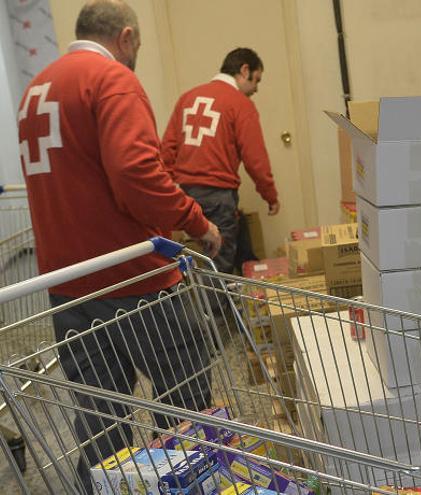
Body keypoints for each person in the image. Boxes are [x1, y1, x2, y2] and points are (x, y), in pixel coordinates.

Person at [16, 1, 221, 492]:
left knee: (101, 420)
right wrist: (196, 222)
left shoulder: (36, 89)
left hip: (67, 286)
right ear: (126, 38)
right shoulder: (111, 80)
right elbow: (136, 174)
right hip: (135, 278)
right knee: (186, 400)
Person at [161, 47, 280, 274]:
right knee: (218, 263)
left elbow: (167, 150)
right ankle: (214, 311)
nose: (256, 88)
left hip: (185, 196)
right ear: (244, 70)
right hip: (218, 197)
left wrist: (164, 191)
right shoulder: (240, 104)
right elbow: (255, 160)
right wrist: (270, 195)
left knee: (197, 261)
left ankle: (203, 308)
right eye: (256, 80)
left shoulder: (187, 98)